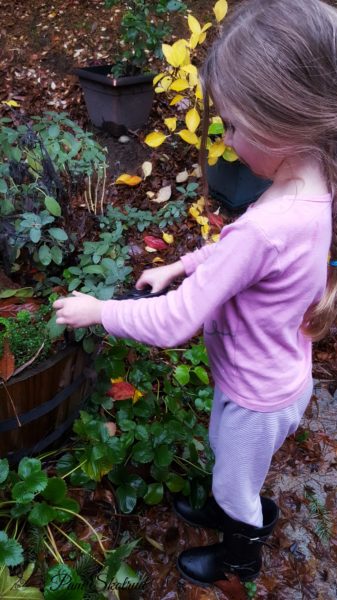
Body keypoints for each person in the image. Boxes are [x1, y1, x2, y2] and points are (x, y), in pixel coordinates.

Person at [53, 0, 337, 587]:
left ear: (280, 119)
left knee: (238, 481)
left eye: (232, 124)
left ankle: (240, 553)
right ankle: (229, 506)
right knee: (226, 451)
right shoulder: (311, 184)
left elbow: (177, 321)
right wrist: (180, 263)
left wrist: (98, 311)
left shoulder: (267, 223)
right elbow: (238, 255)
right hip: (271, 378)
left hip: (257, 396)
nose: (226, 139)